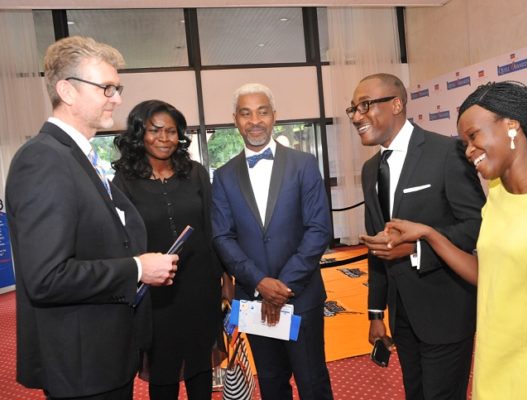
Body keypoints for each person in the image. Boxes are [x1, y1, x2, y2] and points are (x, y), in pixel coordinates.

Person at [384, 81, 527, 400]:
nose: (468, 150)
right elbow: (490, 274)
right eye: (464, 141)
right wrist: (430, 234)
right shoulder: (497, 195)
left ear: (512, 126)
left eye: (473, 136)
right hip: (495, 374)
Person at [5, 36, 178, 400]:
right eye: (106, 88)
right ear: (66, 91)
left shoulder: (77, 156)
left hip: (106, 356)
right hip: (82, 367)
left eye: (117, 88)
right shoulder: (44, 160)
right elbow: (47, 278)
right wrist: (136, 268)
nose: (116, 98)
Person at [350, 73, 486, 400]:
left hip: (446, 312)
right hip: (402, 316)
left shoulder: (447, 153)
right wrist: (375, 314)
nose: (357, 117)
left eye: (365, 105)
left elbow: (477, 224)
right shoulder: (371, 170)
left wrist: (417, 249)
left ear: (397, 104)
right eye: (353, 109)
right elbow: (379, 247)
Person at [211, 83, 334, 400]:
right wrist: (260, 283)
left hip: (300, 296)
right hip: (252, 301)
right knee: (271, 382)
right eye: (246, 113)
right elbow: (222, 237)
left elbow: (318, 229)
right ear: (235, 120)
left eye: (262, 112)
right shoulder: (223, 176)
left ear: (274, 117)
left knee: (313, 382)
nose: (255, 120)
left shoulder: (304, 164)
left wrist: (281, 286)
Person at [112, 100, 229, 400]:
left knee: (200, 366)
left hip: (201, 285)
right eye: (155, 130)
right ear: (140, 134)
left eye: (172, 131)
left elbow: (212, 228)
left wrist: (225, 279)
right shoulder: (124, 181)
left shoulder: (195, 172)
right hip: (156, 291)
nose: (164, 138)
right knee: (163, 370)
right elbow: (122, 239)